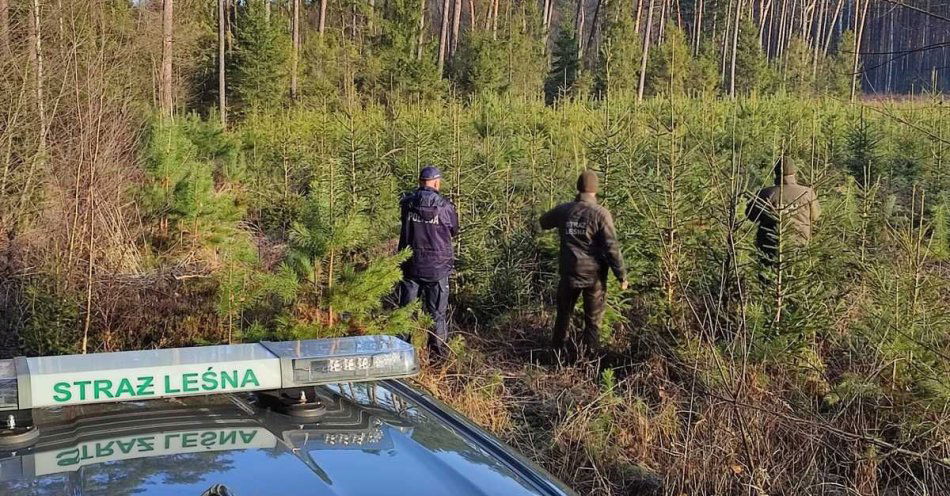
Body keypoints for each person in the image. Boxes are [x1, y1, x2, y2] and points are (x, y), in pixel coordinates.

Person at [540, 170, 627, 358]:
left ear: (578, 188)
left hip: (569, 273)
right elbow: (612, 247)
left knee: (563, 315)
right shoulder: (601, 214)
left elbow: (543, 222)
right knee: (593, 321)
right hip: (594, 277)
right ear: (595, 190)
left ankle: (556, 356)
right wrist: (621, 275)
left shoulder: (564, 210)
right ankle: (589, 360)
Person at [398, 166, 459, 360]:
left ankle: (401, 355)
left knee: (405, 312)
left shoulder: (407, 203)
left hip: (411, 265)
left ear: (420, 182)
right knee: (437, 315)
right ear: (436, 182)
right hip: (437, 268)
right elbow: (454, 229)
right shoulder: (444, 206)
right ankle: (437, 358)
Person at [745, 157, 821, 264]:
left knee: (767, 278)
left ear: (775, 172)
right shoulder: (807, 193)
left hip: (769, 248)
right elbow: (815, 216)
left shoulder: (764, 193)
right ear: (794, 172)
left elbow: (751, 216)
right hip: (799, 245)